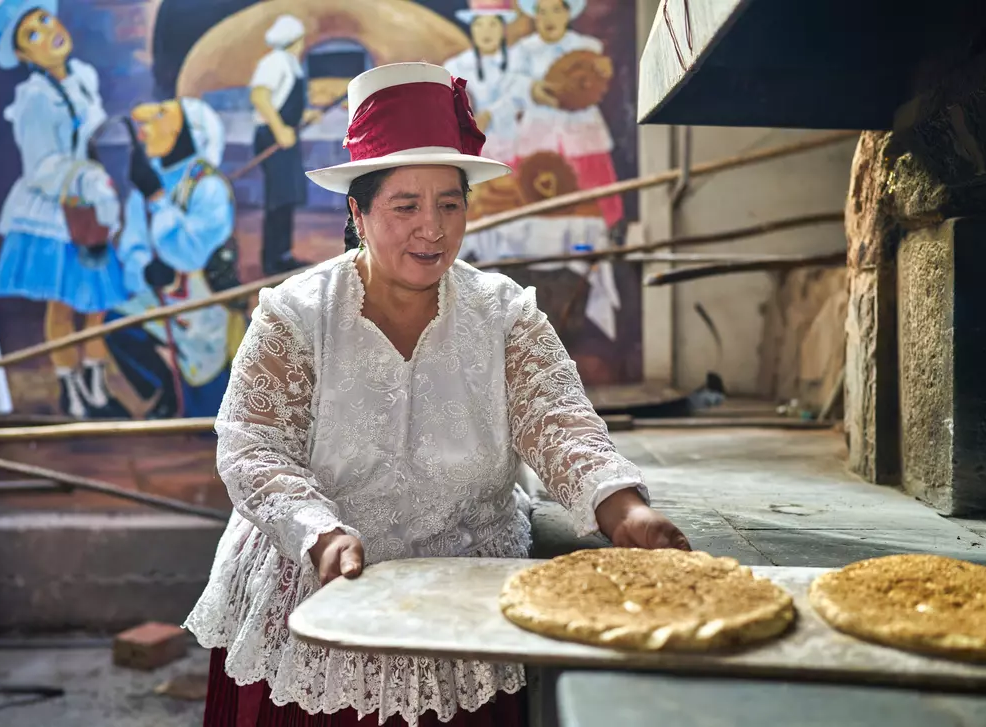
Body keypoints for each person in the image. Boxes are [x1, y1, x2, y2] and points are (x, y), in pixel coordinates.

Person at [185, 61, 690, 727]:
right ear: (358, 211)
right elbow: (254, 450)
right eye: (406, 206)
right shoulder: (296, 317)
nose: (433, 228)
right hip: (317, 601)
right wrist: (320, 534)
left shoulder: (503, 314)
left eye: (450, 204)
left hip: (460, 602)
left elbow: (560, 424)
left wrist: (624, 511)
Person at [0, 0, 128, 419]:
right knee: (62, 304)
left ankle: (96, 385)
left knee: (96, 304)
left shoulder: (83, 77)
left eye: (44, 19)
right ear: (22, 54)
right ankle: (70, 389)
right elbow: (41, 167)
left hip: (92, 203)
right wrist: (84, 178)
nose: (47, 31)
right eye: (32, 33)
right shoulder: (34, 99)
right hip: (54, 211)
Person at [104, 97, 240, 420]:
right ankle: (164, 388)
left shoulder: (208, 186)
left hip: (205, 306)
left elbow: (190, 254)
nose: (144, 133)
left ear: (187, 133)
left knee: (207, 415)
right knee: (117, 326)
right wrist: (143, 269)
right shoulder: (147, 182)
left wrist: (158, 200)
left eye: (158, 122)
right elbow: (132, 248)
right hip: (160, 299)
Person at [510, 0, 624, 230]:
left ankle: (598, 233)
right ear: (534, 16)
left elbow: (597, 84)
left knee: (590, 188)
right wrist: (533, 90)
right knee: (537, 185)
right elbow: (511, 84)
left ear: (567, 14)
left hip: (581, 128)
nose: (549, 18)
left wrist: (600, 74)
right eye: (542, 12)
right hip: (539, 129)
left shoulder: (588, 47)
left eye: (556, 10)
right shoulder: (523, 50)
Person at [249, 13, 318, 276]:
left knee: (287, 196)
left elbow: (284, 102)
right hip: (272, 136)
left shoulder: (291, 64)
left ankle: (283, 254)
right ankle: (272, 261)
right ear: (295, 40)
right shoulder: (274, 62)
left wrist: (305, 116)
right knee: (278, 198)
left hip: (285, 136)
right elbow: (260, 97)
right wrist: (279, 130)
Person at [443, 0, 530, 165]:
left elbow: (521, 97)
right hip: (473, 155)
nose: (486, 32)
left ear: (503, 28)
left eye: (492, 24)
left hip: (517, 149)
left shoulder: (520, 60)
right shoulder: (455, 67)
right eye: (479, 24)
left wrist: (490, 115)